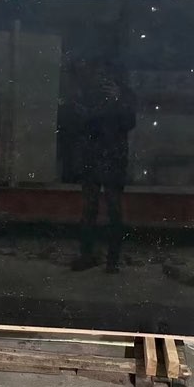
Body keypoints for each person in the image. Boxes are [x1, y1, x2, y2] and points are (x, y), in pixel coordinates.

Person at [69, 64, 136, 273]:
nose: (102, 78)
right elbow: (78, 121)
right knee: (89, 210)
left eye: (106, 74)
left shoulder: (125, 94)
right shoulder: (86, 94)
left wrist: (118, 100)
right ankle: (87, 256)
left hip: (113, 159)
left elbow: (129, 122)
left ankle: (112, 261)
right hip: (92, 158)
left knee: (114, 211)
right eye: (99, 73)